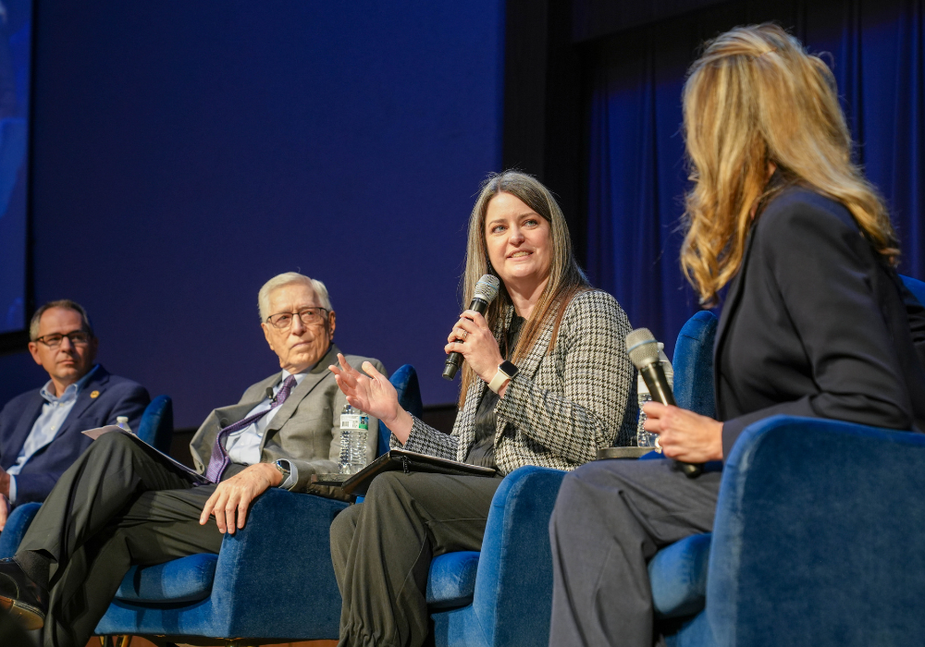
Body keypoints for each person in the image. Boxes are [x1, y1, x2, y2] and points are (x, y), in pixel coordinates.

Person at [547, 23, 925, 647]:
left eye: (699, 129)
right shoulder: (793, 224)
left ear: (731, 132)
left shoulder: (798, 221)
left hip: (841, 484)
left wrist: (719, 436)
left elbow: (871, 401)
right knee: (606, 486)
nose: (693, 151)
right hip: (792, 471)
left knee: (596, 492)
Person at [328, 170, 637, 647]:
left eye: (529, 222)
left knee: (394, 493)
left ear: (553, 232)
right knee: (351, 521)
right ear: (485, 247)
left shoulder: (590, 310)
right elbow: (466, 458)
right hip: (492, 492)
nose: (514, 237)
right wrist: (395, 416)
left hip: (550, 495)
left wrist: (497, 373)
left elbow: (592, 436)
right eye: (499, 228)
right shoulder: (493, 331)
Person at [0, 272, 385, 647]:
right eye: (283, 318)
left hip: (273, 510)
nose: (297, 327)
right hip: (209, 494)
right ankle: (31, 575)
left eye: (309, 314)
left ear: (330, 322)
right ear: (268, 335)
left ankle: (30, 575)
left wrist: (272, 471)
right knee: (117, 447)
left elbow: (351, 469)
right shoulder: (259, 390)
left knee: (105, 522)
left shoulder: (351, 375)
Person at [0, 300, 149, 529]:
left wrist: (11, 486)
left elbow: (105, 479)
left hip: (51, 522)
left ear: (94, 344)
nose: (66, 347)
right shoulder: (15, 407)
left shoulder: (124, 395)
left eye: (77, 337)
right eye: (53, 339)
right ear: (35, 352)